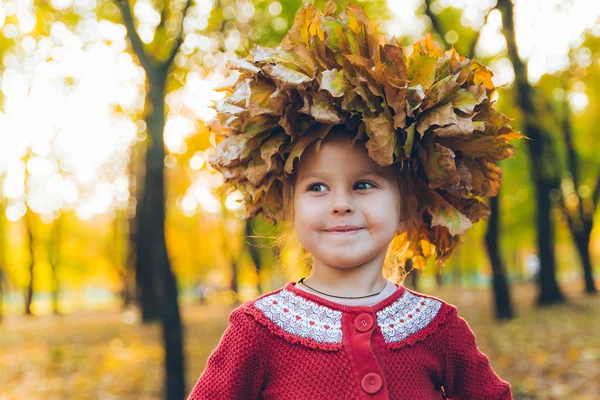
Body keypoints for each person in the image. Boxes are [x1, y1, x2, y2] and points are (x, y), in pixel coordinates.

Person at [188, 1, 520, 398]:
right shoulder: (258, 330)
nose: (340, 203)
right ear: (289, 206)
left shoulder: (438, 328)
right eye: (317, 187)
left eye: (364, 185)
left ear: (406, 210)